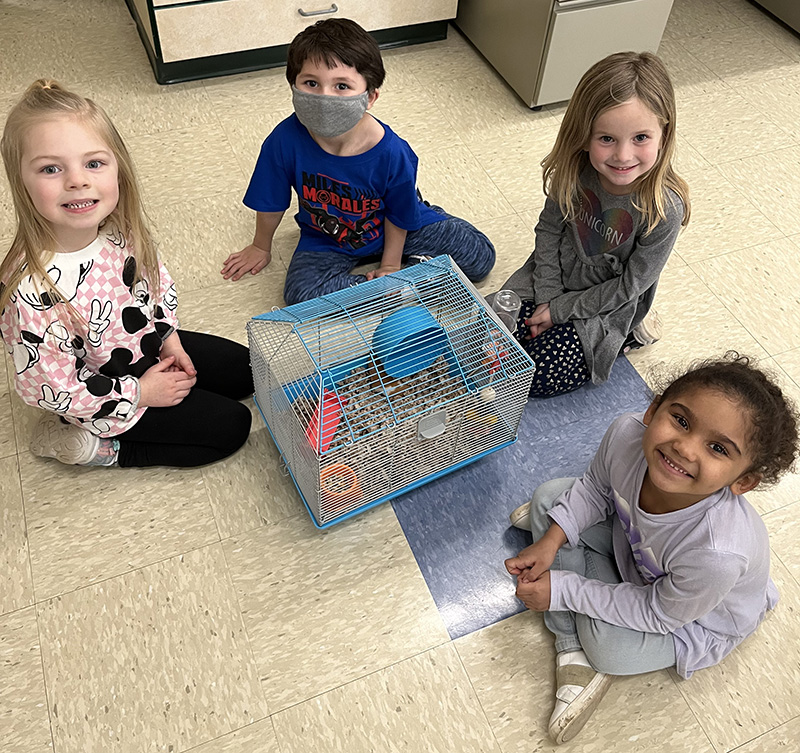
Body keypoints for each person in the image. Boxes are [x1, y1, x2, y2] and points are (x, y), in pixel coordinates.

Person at [504, 354, 798, 744]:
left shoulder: (717, 552)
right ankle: (567, 585)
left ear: (742, 482)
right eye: (680, 420)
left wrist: (562, 588)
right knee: (549, 499)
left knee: (609, 651)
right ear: (652, 409)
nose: (685, 448)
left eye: (717, 448)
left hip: (689, 619)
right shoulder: (625, 434)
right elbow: (595, 488)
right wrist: (552, 540)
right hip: (640, 553)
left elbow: (658, 613)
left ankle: (574, 649)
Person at [0, 80, 253, 468]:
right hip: (103, 395)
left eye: (94, 163)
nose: (77, 180)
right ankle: (101, 451)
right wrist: (140, 392)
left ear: (117, 166)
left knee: (248, 371)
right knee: (233, 427)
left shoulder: (120, 228)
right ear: (20, 182)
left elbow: (155, 289)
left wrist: (170, 341)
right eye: (51, 168)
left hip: (143, 345)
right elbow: (51, 388)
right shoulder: (29, 293)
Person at [220, 18, 495, 303]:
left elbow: (399, 215)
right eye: (311, 83)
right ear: (293, 86)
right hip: (328, 238)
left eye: (342, 86)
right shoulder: (283, 141)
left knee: (480, 258)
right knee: (300, 294)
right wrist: (260, 246)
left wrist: (390, 266)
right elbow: (271, 202)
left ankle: (408, 254)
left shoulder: (392, 151)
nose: (324, 97)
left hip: (397, 225)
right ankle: (403, 282)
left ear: (370, 97)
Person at [496, 52, 691, 398]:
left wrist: (558, 311)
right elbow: (549, 232)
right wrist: (548, 297)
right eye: (606, 139)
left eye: (641, 138)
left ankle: (629, 335)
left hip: (608, 302)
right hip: (552, 280)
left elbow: (629, 286)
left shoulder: (664, 209)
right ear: (583, 135)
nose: (623, 156)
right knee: (493, 333)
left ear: (664, 133)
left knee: (534, 376)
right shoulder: (574, 171)